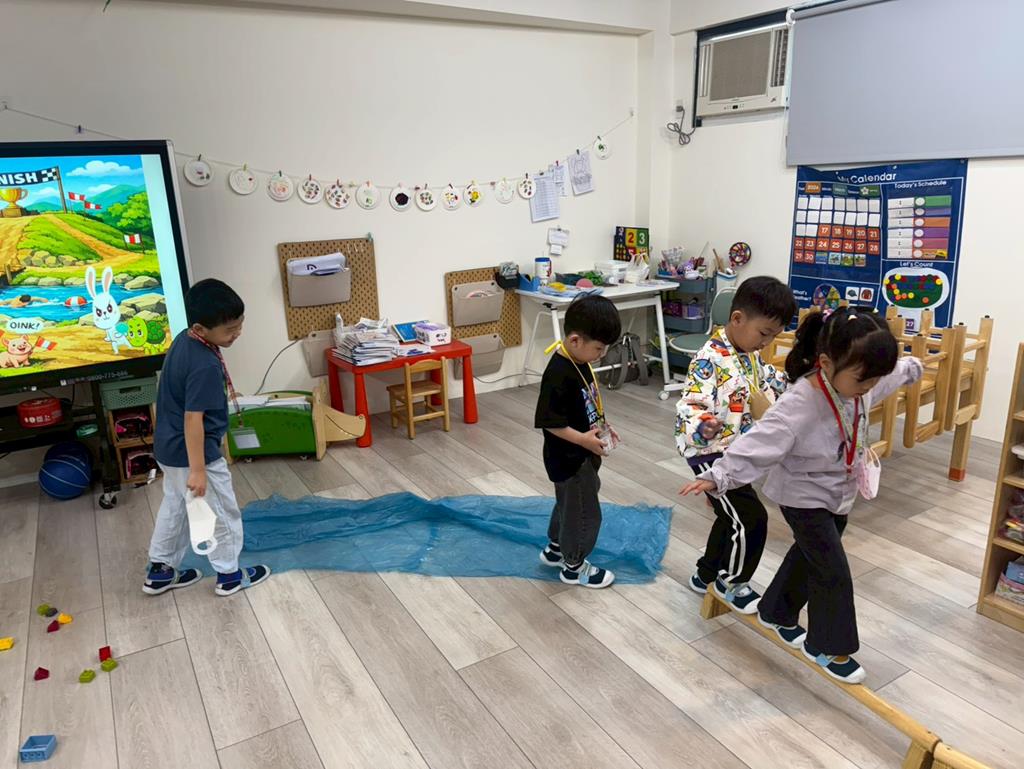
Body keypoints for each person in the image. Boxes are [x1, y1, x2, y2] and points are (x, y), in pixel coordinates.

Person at [681, 307, 922, 683]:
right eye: (863, 380)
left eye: (873, 379)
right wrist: (719, 476)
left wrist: (909, 369)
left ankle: (776, 610)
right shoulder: (799, 403)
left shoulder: (857, 383)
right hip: (802, 496)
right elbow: (760, 443)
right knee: (832, 571)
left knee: (810, 557)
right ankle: (827, 645)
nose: (869, 387)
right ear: (826, 363)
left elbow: (886, 380)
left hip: (837, 492)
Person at [675, 276, 796, 613]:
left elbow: (770, 379)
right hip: (709, 453)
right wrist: (705, 424)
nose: (766, 342)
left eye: (773, 336)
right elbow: (689, 405)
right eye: (764, 333)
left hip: (735, 452)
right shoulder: (709, 359)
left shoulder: (748, 354)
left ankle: (705, 574)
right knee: (751, 518)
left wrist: (799, 385)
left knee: (729, 517)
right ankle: (731, 583)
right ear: (738, 318)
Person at [144, 278, 270, 597]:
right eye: (230, 330)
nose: (237, 333)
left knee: (175, 507)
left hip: (169, 448)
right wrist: (199, 470)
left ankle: (160, 571)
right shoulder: (204, 365)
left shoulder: (184, 341)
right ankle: (229, 575)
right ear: (201, 328)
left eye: (240, 325)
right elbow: (193, 419)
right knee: (221, 512)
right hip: (194, 454)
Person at [534, 294, 622, 588]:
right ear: (575, 340)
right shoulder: (558, 373)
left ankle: (556, 548)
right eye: (599, 348)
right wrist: (583, 440)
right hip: (569, 458)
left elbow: (585, 404)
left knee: (569, 503)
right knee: (583, 511)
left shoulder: (579, 360)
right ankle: (574, 565)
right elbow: (550, 422)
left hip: (580, 453)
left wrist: (602, 428)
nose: (601, 354)